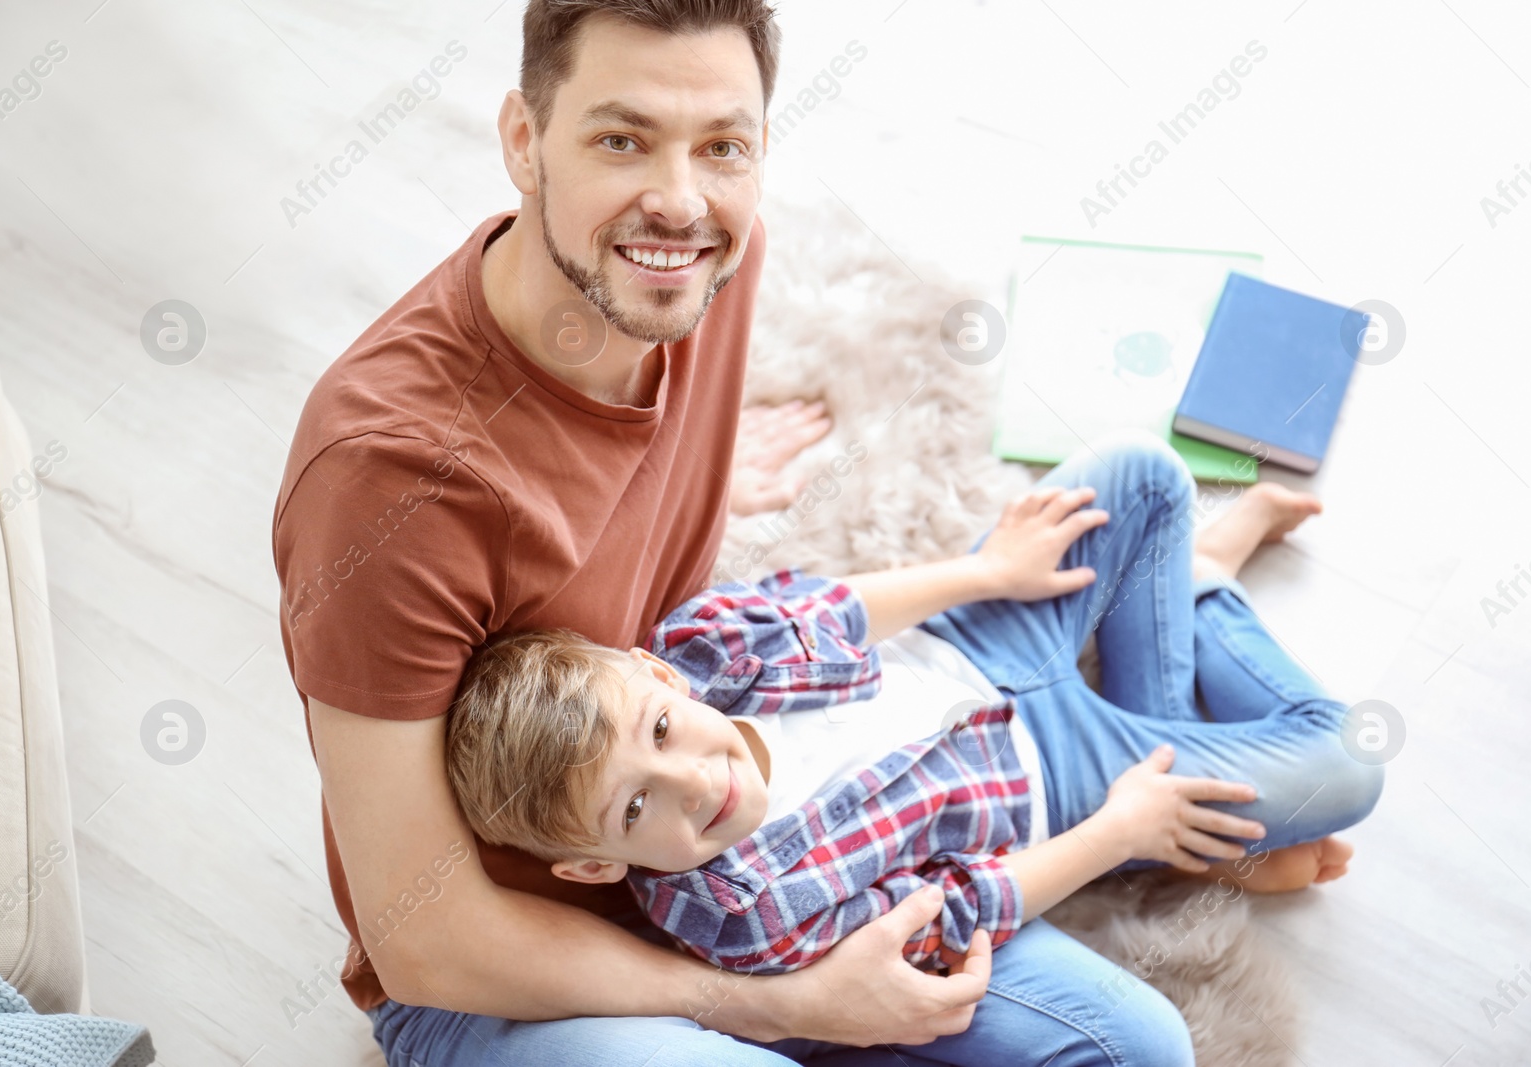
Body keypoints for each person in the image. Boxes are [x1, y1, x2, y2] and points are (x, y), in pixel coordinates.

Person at [272, 2, 1014, 1064]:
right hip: (505, 975)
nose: (678, 201)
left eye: (723, 147)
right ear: (525, 143)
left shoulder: (705, 262)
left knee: (1127, 1040)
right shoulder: (385, 479)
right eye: (619, 140)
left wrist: (694, 473)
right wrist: (784, 1003)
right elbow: (423, 936)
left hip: (713, 860)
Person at [442, 431, 1384, 1062]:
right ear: (593, 864)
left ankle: (1194, 593)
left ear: (660, 677)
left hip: (982, 641)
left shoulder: (704, 643)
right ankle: (1185, 627)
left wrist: (989, 571)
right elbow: (963, 906)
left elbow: (841, 609)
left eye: (660, 730)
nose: (697, 779)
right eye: (637, 807)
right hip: (1055, 781)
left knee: (1142, 470)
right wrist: (1117, 830)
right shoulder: (745, 910)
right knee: (1346, 761)